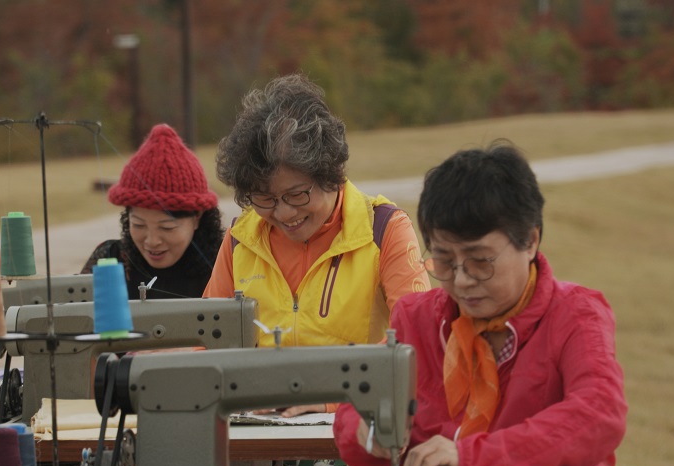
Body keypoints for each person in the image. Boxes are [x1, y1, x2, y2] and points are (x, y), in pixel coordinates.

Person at [334, 140, 628, 466]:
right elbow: (354, 406)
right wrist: (368, 430)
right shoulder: (417, 318)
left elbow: (599, 414)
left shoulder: (576, 314)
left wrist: (471, 457)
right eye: (444, 261)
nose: (461, 280)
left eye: (480, 261)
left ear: (530, 241)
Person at [204, 73, 429, 417]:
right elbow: (206, 340)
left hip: (356, 427)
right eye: (264, 199)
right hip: (259, 433)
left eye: (297, 195)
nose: (282, 213)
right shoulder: (240, 239)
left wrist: (333, 397)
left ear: (332, 173)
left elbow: (416, 343)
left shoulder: (384, 230)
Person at [81, 123, 224, 299]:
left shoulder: (225, 266)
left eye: (167, 227)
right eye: (139, 225)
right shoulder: (110, 260)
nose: (152, 241)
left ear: (197, 217)